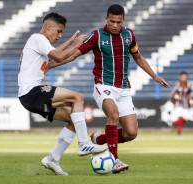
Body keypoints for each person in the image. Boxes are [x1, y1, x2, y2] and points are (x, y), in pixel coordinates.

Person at [47, 4, 170, 173]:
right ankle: (114, 160)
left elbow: (138, 57)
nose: (114, 25)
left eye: (118, 22)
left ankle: (99, 139)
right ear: (106, 19)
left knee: (131, 133)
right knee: (113, 115)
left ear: (123, 20)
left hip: (124, 88)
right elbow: (74, 55)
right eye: (111, 21)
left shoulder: (129, 35)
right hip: (103, 85)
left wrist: (154, 76)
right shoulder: (97, 35)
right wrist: (49, 66)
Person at [18, 12, 107, 176]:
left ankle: (53, 158)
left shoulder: (39, 45)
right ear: (47, 27)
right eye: (58, 31)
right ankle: (83, 144)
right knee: (77, 97)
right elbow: (58, 57)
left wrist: (73, 46)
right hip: (32, 92)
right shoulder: (38, 39)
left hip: (29, 96)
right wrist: (75, 46)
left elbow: (54, 61)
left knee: (73, 119)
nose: (59, 35)